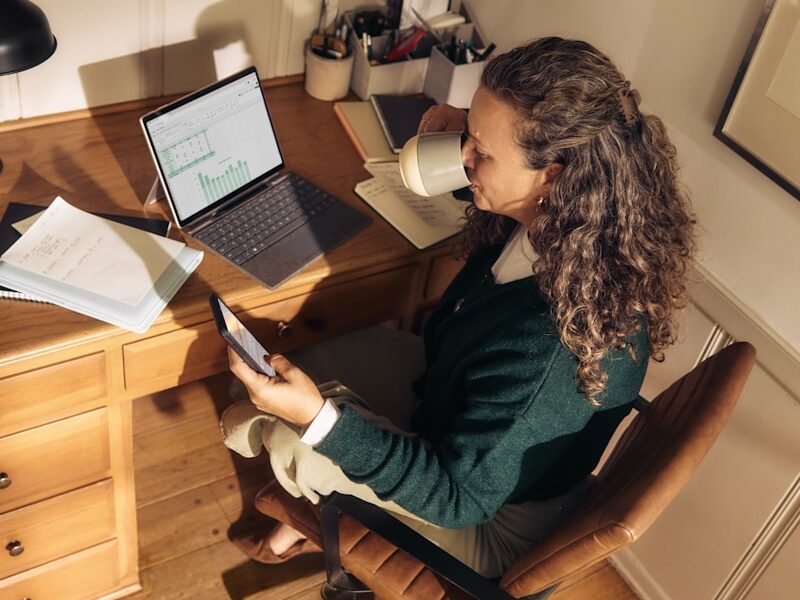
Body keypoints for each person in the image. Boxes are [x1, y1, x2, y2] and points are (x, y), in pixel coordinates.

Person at [222, 36, 696, 578]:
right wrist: (466, 134)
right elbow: (474, 184)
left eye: (482, 153)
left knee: (293, 431)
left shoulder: (551, 349)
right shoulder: (570, 225)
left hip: (484, 516)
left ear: (554, 176)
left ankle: (307, 516)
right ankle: (321, 502)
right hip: (456, 406)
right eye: (469, 134)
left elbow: (456, 497)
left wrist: (316, 419)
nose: (465, 160)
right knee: (308, 347)